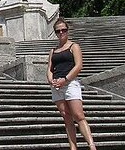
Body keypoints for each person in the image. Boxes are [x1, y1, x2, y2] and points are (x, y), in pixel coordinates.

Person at [47, 18, 97, 150]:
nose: (61, 32)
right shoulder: (53, 50)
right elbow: (49, 69)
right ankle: (73, 147)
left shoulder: (73, 46)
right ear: (55, 33)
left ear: (68, 31)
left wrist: (66, 79)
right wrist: (51, 80)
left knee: (78, 115)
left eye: (64, 30)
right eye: (58, 31)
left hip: (70, 83)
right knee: (66, 117)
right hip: (57, 86)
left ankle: (91, 145)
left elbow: (79, 65)